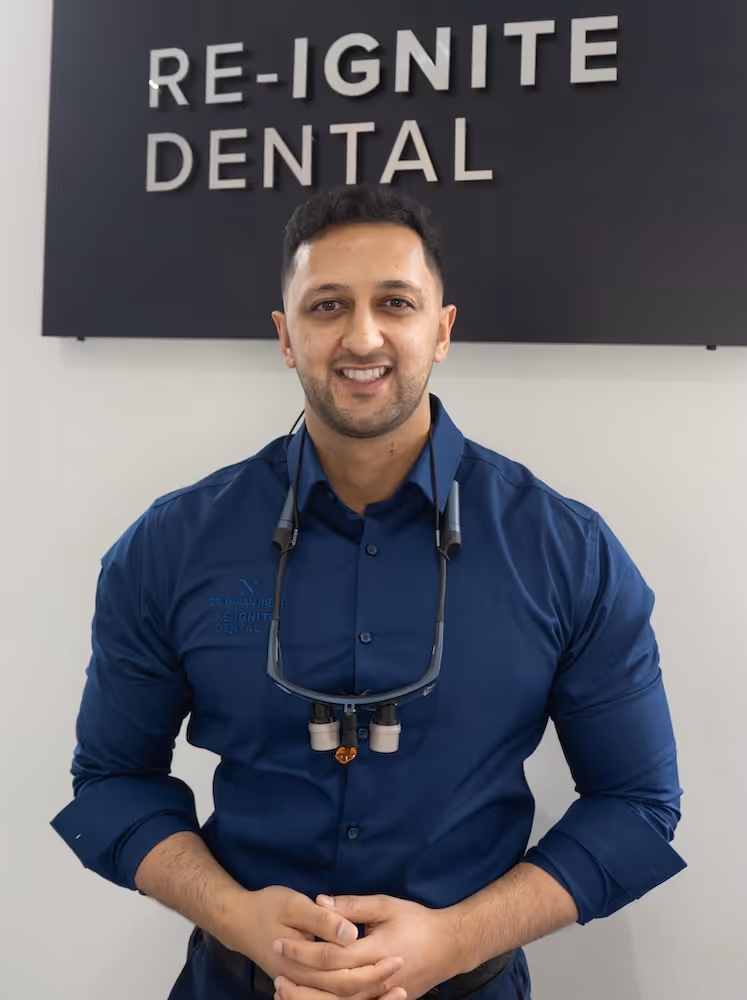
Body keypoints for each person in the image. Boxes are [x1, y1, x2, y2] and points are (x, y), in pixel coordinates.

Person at [51, 184, 686, 1000]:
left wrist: (454, 939)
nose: (362, 335)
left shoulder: (567, 551)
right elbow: (110, 783)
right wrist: (243, 919)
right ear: (285, 337)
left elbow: (636, 807)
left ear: (442, 329)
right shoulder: (171, 546)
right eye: (325, 306)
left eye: (395, 302)